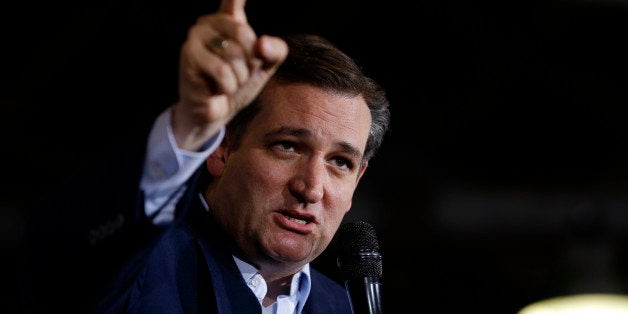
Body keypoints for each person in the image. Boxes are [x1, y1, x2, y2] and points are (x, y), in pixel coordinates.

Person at [19, 0, 391, 312]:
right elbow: (63, 258)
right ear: (222, 148)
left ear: (357, 180)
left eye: (340, 162)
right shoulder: (141, 266)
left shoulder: (343, 305)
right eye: (288, 146)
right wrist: (187, 128)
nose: (311, 187)